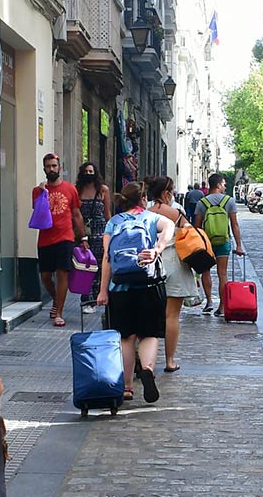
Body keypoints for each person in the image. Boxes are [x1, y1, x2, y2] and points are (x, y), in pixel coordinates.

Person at [97, 181, 175, 402]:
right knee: (149, 334)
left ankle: (127, 387)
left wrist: (103, 290)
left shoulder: (114, 222)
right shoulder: (150, 218)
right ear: (143, 200)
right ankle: (148, 369)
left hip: (120, 288)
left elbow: (107, 258)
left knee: (126, 338)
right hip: (149, 285)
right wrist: (157, 249)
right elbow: (170, 226)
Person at [146, 176, 197, 373]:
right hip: (174, 263)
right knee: (172, 316)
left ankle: (145, 362)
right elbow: (190, 233)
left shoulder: (145, 212)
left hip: (150, 265)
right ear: (166, 193)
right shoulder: (175, 213)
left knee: (148, 315)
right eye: (172, 191)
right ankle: (169, 361)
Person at [33, 152, 89, 327]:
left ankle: (59, 312)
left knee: (62, 273)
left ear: (60, 168)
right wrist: (42, 193)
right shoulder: (38, 191)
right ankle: (56, 300)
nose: (51, 169)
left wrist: (84, 237)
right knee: (45, 276)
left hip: (65, 237)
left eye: (54, 166)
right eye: (48, 166)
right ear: (44, 169)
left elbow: (77, 214)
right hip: (45, 238)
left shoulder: (70, 189)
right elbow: (38, 213)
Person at [195, 173, 245, 316]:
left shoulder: (202, 203)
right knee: (222, 274)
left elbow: (197, 226)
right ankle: (222, 307)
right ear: (218, 185)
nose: (224, 186)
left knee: (206, 271)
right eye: (223, 184)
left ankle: (209, 301)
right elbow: (234, 225)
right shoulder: (229, 201)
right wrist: (239, 245)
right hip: (223, 241)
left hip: (207, 243)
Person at [76, 162, 112, 313]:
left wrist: (111, 233)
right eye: (86, 171)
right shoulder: (77, 191)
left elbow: (107, 213)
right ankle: (86, 299)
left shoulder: (103, 190)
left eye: (91, 171)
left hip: (100, 232)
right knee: (84, 266)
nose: (89, 173)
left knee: (98, 266)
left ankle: (96, 297)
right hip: (83, 232)